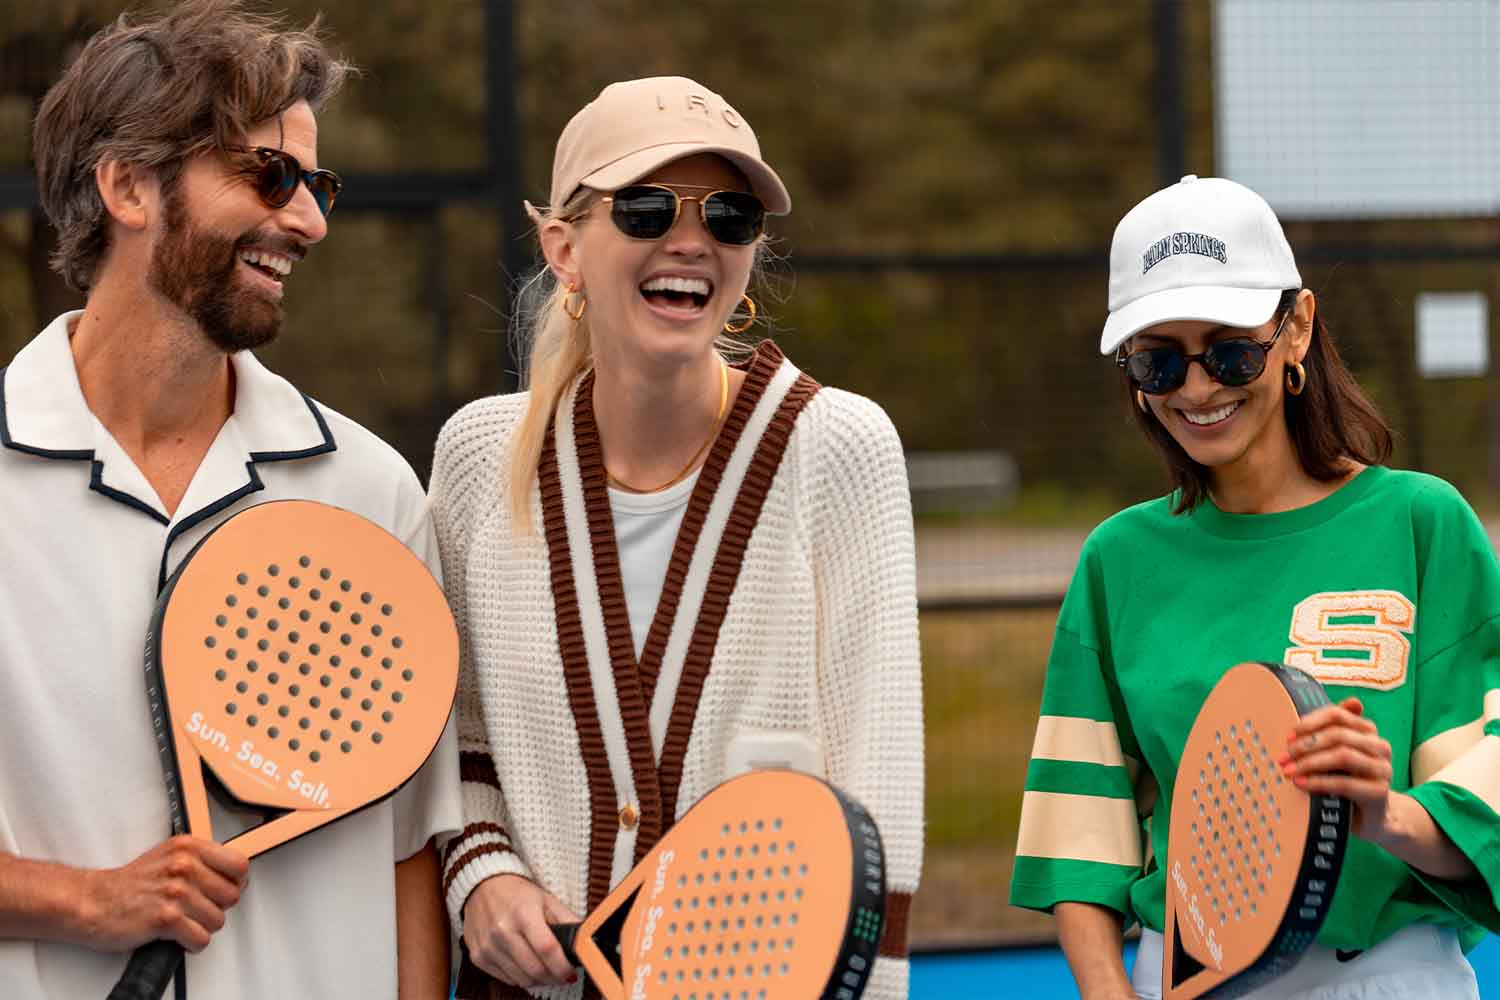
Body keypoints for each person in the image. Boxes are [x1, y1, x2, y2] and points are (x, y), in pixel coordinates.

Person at [0, 3, 460, 997]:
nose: (309, 219)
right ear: (128, 185)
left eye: (318, 182)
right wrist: (86, 899)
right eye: (269, 175)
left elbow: (409, 849)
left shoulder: (372, 490)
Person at [428, 76, 924, 999]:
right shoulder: (477, 457)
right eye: (649, 207)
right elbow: (458, 737)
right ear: (564, 246)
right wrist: (480, 872)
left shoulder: (839, 447)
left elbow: (880, 773)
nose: (690, 239)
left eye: (730, 216)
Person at [1009, 174, 1500, 999]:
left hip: (1384, 975)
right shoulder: (1117, 559)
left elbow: (1485, 812)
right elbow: (1081, 834)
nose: (1199, 388)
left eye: (1231, 349)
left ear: (1296, 326)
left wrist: (1387, 813)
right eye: (1159, 360)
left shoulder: (1423, 524)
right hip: (1178, 977)